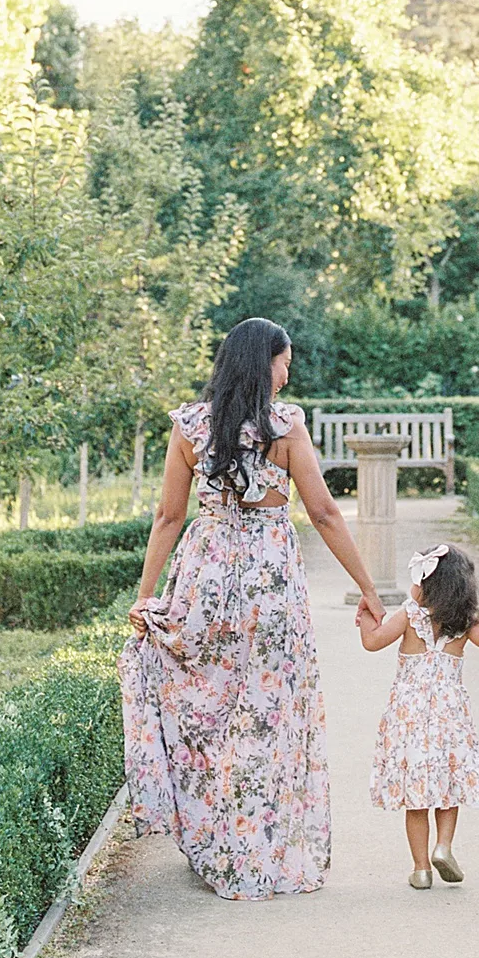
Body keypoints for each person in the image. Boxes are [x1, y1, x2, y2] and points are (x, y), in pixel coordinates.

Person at [118, 317, 385, 901]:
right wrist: (368, 586)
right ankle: (259, 848)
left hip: (206, 576)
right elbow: (323, 513)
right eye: (285, 361)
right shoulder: (284, 426)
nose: (289, 372)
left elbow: (168, 517)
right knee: (268, 712)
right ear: (265, 362)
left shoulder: (190, 426)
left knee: (209, 708)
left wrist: (146, 595)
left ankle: (215, 842)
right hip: (269, 580)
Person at [360, 542, 479, 888]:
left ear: (425, 584)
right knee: (449, 787)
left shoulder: (408, 615)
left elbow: (373, 642)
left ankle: (421, 869)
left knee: (416, 796)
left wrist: (365, 618)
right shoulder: (464, 621)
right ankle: (444, 846)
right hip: (449, 718)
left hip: (409, 718)